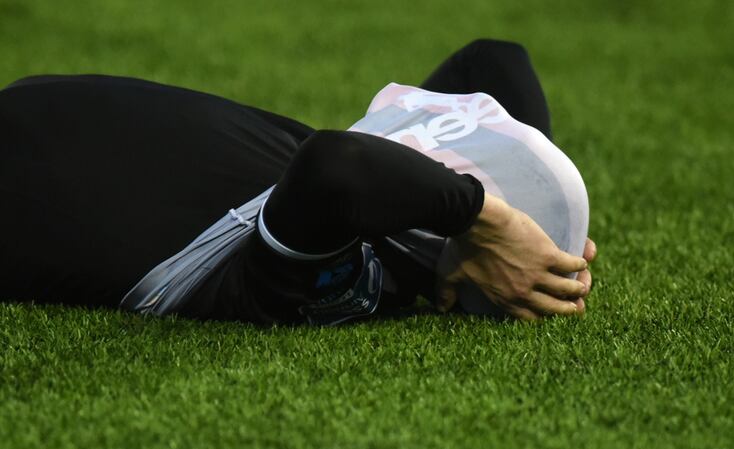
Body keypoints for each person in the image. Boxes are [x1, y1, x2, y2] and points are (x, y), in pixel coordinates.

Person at [0, 39, 597, 325]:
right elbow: (492, 60)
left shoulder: (352, 279)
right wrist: (528, 202)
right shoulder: (392, 197)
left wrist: (484, 218)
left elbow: (338, 165)